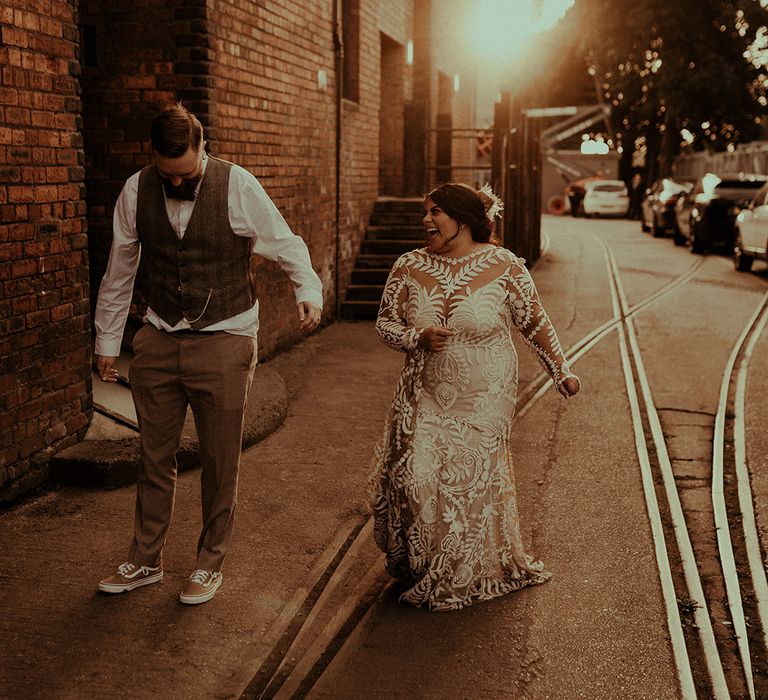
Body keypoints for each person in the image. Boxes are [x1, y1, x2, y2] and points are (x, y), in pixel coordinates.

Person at [94, 104, 323, 605]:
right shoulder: (136, 191)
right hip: (157, 337)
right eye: (166, 174)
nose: (176, 183)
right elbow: (119, 270)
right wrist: (108, 342)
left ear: (203, 149)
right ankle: (144, 560)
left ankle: (208, 563)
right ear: (153, 157)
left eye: (187, 173)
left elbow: (287, 244)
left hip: (225, 338)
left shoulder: (237, 185)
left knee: (220, 459)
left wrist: (308, 290)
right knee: (154, 456)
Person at [370, 182, 580, 611]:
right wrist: (416, 336)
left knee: (465, 481)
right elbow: (385, 325)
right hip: (424, 389)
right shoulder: (408, 266)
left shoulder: (504, 266)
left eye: (435, 213)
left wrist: (560, 369)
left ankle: (457, 573)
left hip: (486, 390)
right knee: (416, 474)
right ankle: (424, 560)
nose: (426, 221)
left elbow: (533, 322)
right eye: (426, 213)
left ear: (462, 218)